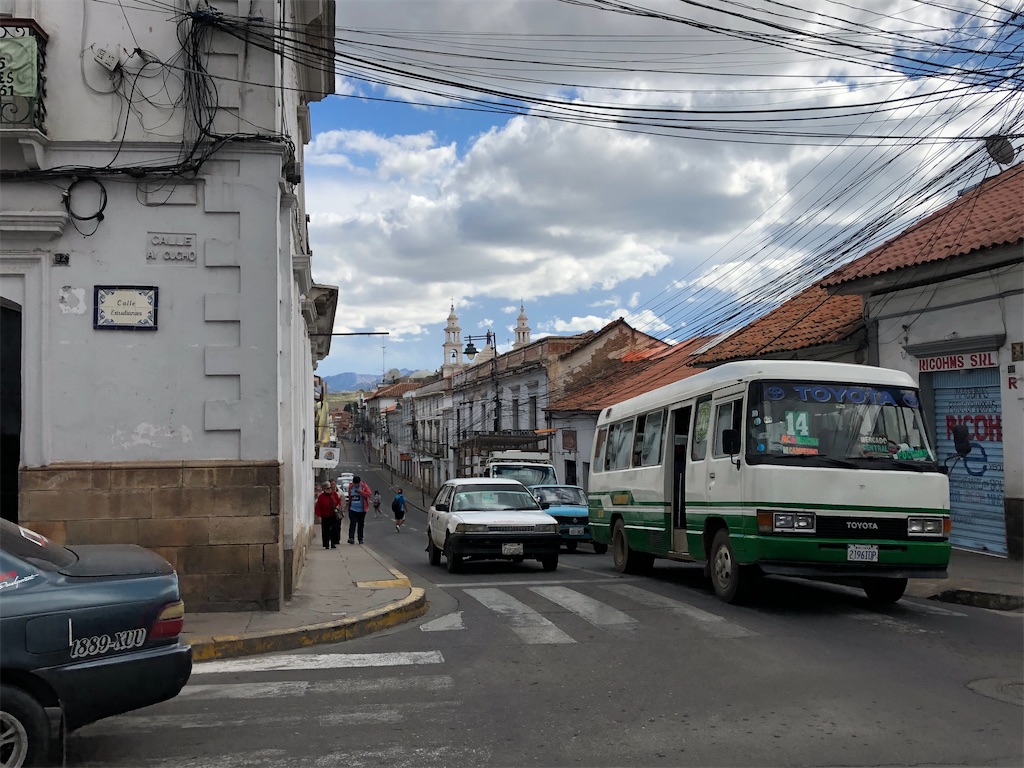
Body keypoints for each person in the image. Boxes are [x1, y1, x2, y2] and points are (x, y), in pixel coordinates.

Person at [346, 475, 372, 544]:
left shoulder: (364, 486)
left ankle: (360, 538)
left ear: (359, 482)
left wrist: (361, 492)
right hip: (352, 509)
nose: (356, 485)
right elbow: (350, 496)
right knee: (352, 523)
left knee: (361, 524)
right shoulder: (351, 487)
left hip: (361, 510)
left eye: (357, 484)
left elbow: (369, 494)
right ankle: (351, 538)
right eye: (355, 484)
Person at [315, 482, 339, 549]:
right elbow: (318, 507)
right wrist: (319, 516)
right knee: (326, 530)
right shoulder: (321, 497)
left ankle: (333, 543)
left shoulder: (334, 494)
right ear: (324, 489)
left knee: (334, 529)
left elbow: (338, 501)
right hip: (325, 516)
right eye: (328, 488)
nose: (330, 489)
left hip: (333, 515)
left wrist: (337, 507)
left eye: (330, 488)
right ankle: (326, 544)